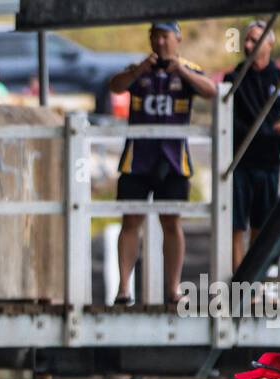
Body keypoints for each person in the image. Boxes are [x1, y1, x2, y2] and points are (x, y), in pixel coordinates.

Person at [107, 21, 218, 305]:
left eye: (165, 36)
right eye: (155, 36)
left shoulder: (187, 69)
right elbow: (115, 86)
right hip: (137, 159)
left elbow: (212, 91)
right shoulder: (139, 68)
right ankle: (123, 288)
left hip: (173, 160)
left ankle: (173, 289)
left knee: (171, 221)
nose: (159, 42)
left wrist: (179, 69)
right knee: (131, 220)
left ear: (177, 38)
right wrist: (140, 69)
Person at [224, 21, 280, 271]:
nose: (249, 45)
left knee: (262, 226)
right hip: (239, 164)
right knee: (236, 224)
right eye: (246, 40)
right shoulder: (234, 79)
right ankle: (239, 279)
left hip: (271, 164)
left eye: (255, 40)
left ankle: (257, 280)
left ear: (269, 44)